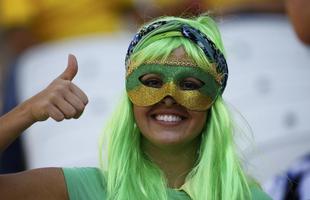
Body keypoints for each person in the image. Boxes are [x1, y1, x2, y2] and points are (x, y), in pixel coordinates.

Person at [0, 15, 271, 199]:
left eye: (189, 84)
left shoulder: (247, 196)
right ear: (129, 96)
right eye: (152, 81)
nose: (169, 96)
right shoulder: (87, 189)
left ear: (214, 99)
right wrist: (27, 112)